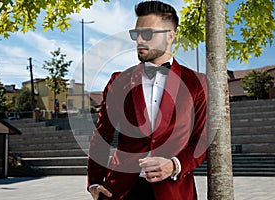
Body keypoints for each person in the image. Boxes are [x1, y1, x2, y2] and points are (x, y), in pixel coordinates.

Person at [87, 1, 207, 200]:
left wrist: (175, 165)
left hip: (174, 191)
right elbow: (102, 134)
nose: (139, 40)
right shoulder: (118, 81)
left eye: (148, 34)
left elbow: (201, 141)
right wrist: (94, 181)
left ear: (170, 35)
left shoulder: (197, 83)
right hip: (120, 191)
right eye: (136, 34)